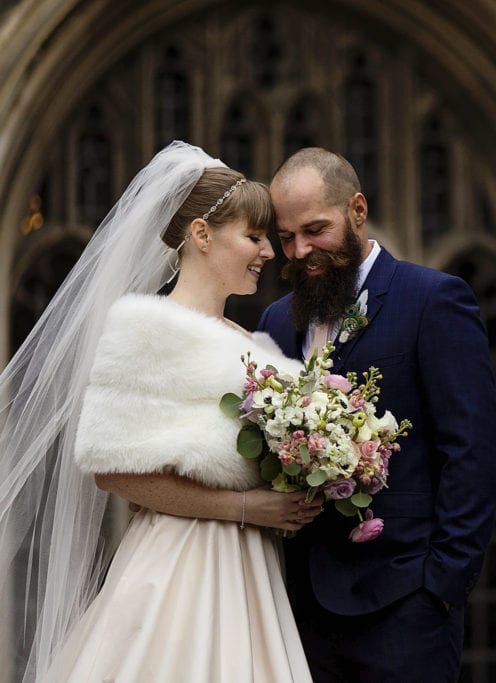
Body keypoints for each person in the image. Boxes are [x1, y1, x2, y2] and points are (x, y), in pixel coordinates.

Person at [0, 142, 320, 682]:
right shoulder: (143, 328)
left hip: (251, 570)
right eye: (253, 236)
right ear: (200, 235)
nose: (269, 252)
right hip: (180, 566)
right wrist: (245, 507)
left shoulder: (250, 340)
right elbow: (114, 472)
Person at [257, 147, 496, 681]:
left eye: (315, 229)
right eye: (286, 237)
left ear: (358, 211)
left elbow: (472, 451)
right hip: (300, 608)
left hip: (405, 604)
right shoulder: (276, 321)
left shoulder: (433, 299)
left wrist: (442, 585)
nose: (300, 251)